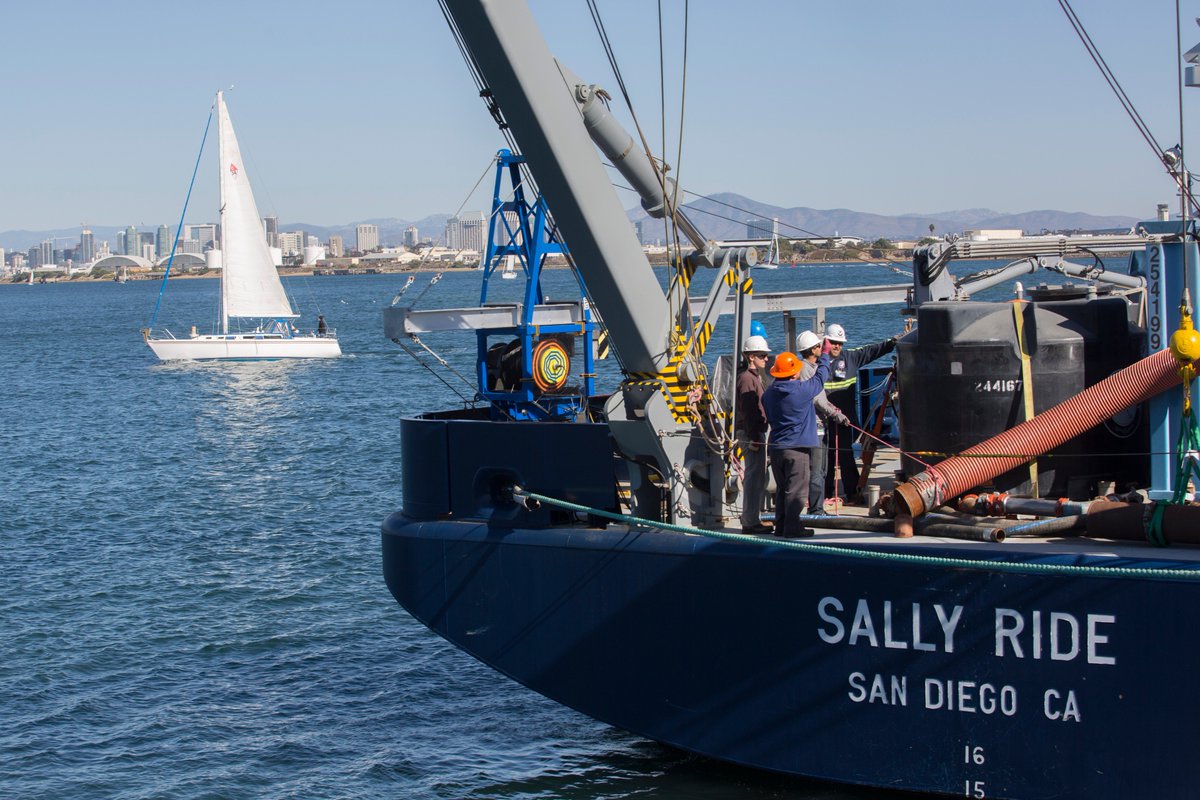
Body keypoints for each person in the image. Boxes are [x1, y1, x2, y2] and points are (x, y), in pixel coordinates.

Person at [822, 322, 897, 504]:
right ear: (826, 342)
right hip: (823, 421)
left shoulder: (851, 358)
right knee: (826, 459)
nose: (837, 346)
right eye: (833, 342)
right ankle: (825, 495)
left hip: (845, 420)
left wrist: (892, 342)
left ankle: (852, 492)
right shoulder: (818, 363)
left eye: (840, 343)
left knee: (846, 456)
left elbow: (872, 350)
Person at [761, 349, 831, 538]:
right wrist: (824, 354)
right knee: (797, 492)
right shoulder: (801, 391)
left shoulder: (768, 394)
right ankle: (792, 528)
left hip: (776, 448)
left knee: (784, 489)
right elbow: (821, 376)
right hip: (797, 450)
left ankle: (782, 526)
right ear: (794, 373)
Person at [795, 330, 851, 515]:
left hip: (819, 424)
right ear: (813, 349)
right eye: (819, 346)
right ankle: (816, 509)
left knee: (823, 467)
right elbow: (818, 400)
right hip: (815, 427)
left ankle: (817, 505)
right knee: (817, 469)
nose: (822, 349)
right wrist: (838, 415)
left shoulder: (811, 369)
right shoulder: (806, 370)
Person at [735, 334, 772, 534]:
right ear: (751, 356)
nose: (766, 359)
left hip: (754, 432)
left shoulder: (752, 377)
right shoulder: (748, 379)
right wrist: (755, 437)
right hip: (752, 434)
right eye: (762, 355)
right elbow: (750, 411)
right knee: (753, 477)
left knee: (757, 477)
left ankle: (752, 518)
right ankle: (749, 521)